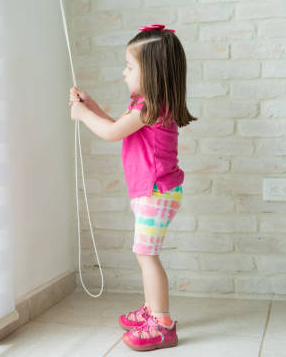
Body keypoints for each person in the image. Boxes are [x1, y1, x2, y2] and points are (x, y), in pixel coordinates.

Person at [69, 23, 197, 351]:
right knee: (144, 254)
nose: (123, 72)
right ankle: (154, 310)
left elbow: (110, 134)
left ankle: (162, 322)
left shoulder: (150, 108)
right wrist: (92, 106)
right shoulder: (145, 105)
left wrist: (83, 115)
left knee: (146, 255)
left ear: (152, 72)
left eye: (129, 67)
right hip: (154, 192)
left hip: (156, 192)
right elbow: (116, 127)